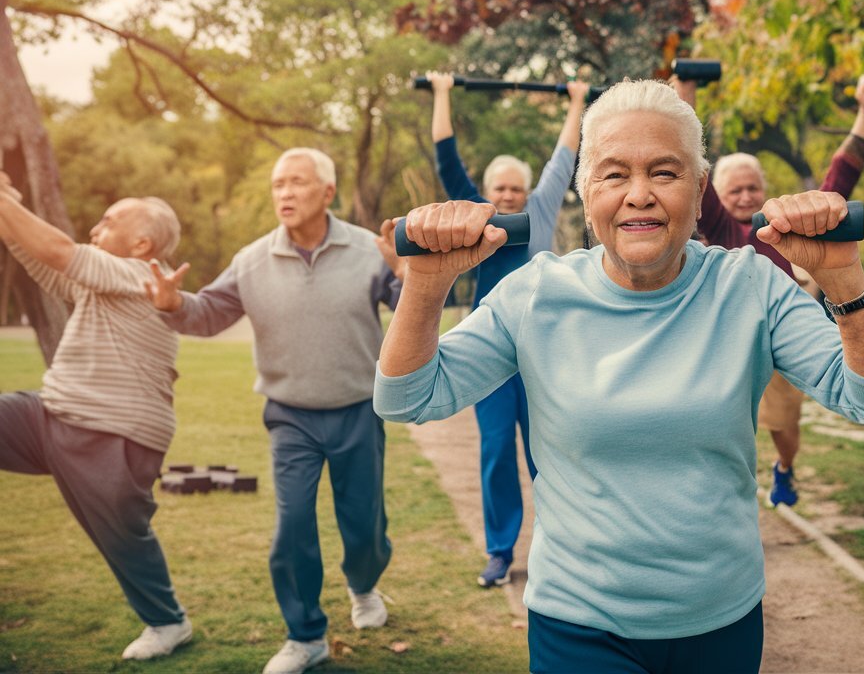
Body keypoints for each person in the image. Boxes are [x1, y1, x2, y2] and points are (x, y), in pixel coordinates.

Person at [375, 80, 864, 673]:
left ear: (700, 189)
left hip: (720, 618)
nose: (639, 196)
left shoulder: (751, 285)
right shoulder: (535, 294)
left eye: (664, 173)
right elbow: (406, 398)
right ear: (585, 192)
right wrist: (425, 284)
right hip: (578, 621)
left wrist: (843, 280)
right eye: (613, 175)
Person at [145, 148, 403, 674]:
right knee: (292, 524)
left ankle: (364, 583)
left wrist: (407, 274)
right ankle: (305, 636)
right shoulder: (252, 260)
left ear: (327, 192)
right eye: (277, 185)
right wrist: (174, 305)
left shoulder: (367, 250)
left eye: (296, 183)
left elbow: (409, 309)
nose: (284, 193)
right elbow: (209, 312)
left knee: (363, 526)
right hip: (291, 416)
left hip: (358, 408)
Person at [0, 173, 192, 661]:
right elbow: (36, 254)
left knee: (122, 537)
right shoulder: (103, 279)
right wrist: (9, 206)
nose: (94, 229)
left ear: (141, 243)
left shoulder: (142, 275)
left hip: (114, 433)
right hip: (52, 415)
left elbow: (59, 252)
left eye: (108, 222)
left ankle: (169, 623)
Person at [675, 71, 864, 508]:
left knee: (784, 427)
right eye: (737, 189)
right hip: (723, 338)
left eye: (755, 188)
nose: (748, 196)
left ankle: (785, 467)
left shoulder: (789, 229)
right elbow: (690, 156)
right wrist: (686, 91)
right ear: (713, 195)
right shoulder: (718, 226)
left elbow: (839, 180)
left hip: (778, 336)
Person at [425, 72, 587, 588]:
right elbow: (447, 160)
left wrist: (578, 103)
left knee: (550, 455)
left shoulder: (540, 210)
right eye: (501, 188)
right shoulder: (478, 219)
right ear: (490, 193)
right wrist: (443, 93)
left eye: (517, 187)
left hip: (543, 357)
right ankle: (500, 553)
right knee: (496, 452)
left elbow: (564, 156)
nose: (510, 195)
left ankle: (561, 548)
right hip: (493, 361)